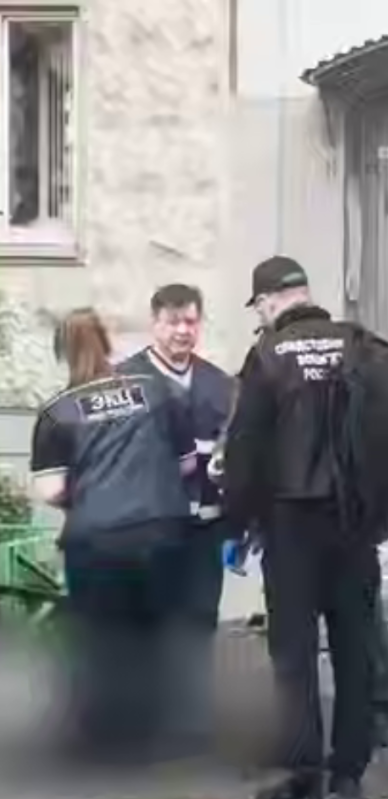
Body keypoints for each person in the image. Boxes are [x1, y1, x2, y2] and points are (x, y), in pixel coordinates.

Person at [222, 256, 388, 799]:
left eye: (259, 307)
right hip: (353, 525)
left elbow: (245, 448)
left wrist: (237, 522)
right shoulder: (363, 346)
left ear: (267, 302)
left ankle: (302, 778)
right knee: (355, 648)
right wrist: (382, 498)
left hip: (289, 525)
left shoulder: (266, 355)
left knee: (294, 655)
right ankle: (349, 773)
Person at [29, 308, 196, 765]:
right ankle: (161, 736)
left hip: (97, 541)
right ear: (107, 343)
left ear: (63, 353)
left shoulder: (58, 410)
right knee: (156, 633)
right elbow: (186, 464)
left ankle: (108, 740)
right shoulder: (155, 390)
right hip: (161, 531)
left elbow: (51, 489)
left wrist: (90, 496)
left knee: (101, 638)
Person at [117, 283, 235, 754]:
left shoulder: (220, 384)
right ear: (155, 324)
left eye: (191, 321)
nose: (183, 331)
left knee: (200, 618)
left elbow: (234, 449)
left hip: (205, 526)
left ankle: (191, 720)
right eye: (173, 322)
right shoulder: (125, 383)